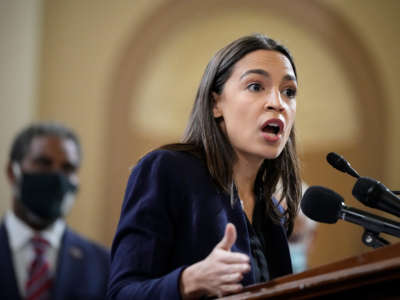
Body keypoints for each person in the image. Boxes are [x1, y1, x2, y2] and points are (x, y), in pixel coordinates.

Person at [108, 33, 301, 299]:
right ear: (215, 104)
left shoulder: (272, 211)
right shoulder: (167, 171)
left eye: (288, 92)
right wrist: (187, 282)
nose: (277, 103)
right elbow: (121, 293)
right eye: (256, 86)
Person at [0, 122, 109, 300]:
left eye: (68, 168)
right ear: (12, 172)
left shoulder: (103, 265)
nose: (57, 178)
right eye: (43, 163)